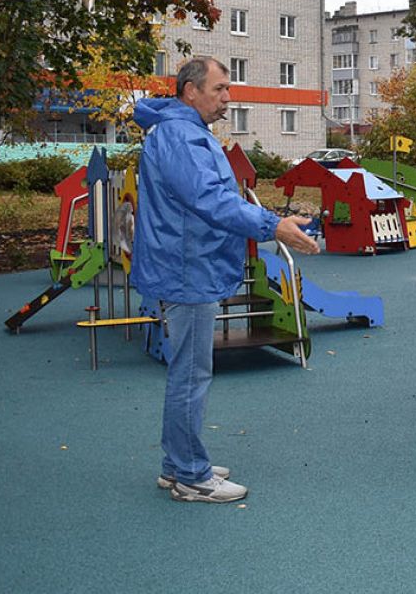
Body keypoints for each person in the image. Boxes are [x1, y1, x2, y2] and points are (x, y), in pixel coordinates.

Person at [132, 58, 319, 503]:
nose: (227, 98)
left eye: (227, 89)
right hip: (187, 268)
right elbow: (210, 200)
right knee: (191, 373)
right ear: (190, 91)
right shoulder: (180, 136)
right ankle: (191, 476)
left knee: (189, 371)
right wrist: (271, 224)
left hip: (189, 263)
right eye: (219, 89)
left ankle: (178, 462)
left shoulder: (184, 132)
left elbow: (211, 199)